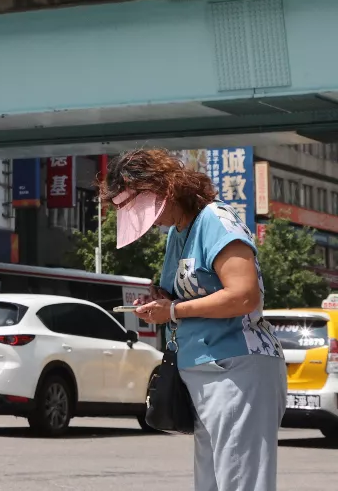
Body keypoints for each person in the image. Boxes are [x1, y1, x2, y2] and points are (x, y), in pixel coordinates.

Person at [103, 149, 285, 491]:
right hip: (204, 368)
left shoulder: (215, 220)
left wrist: (171, 311)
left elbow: (245, 295)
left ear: (165, 188)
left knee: (241, 481)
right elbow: (189, 296)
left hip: (237, 366)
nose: (151, 220)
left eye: (146, 209)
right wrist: (162, 302)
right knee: (213, 482)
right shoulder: (178, 232)